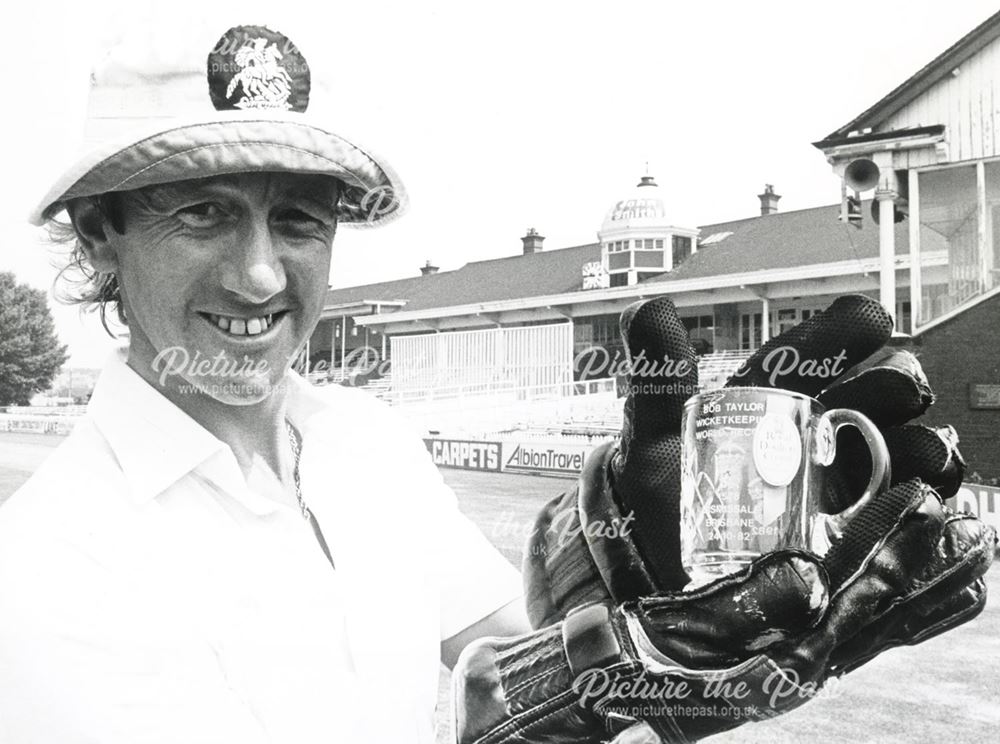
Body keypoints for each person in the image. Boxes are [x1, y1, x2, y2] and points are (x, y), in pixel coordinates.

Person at [0, 20, 529, 744]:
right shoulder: (48, 566)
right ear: (99, 228)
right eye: (203, 213)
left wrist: (654, 634)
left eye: (297, 219)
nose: (259, 276)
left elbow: (516, 664)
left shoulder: (369, 443)